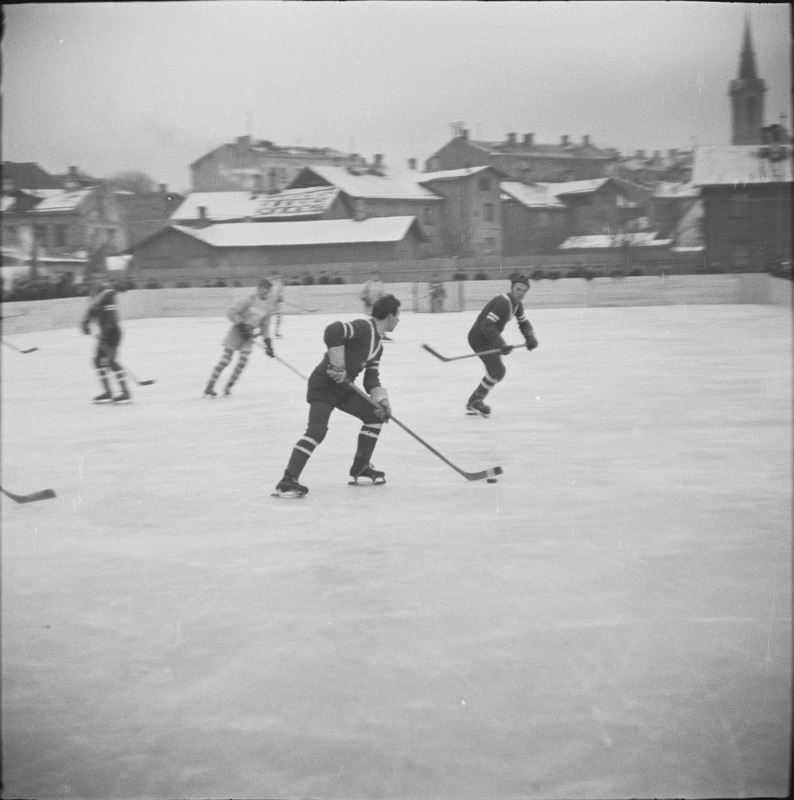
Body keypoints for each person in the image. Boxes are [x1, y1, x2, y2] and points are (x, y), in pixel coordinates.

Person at [274, 294, 402, 498]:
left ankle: (360, 469)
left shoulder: (378, 347)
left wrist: (383, 401)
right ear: (389, 316)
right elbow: (333, 330)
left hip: (344, 388)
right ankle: (288, 479)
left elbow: (371, 379)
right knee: (317, 430)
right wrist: (337, 365)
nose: (398, 320)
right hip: (323, 385)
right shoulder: (364, 327)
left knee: (375, 415)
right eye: (398, 315)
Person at [465, 274, 538, 417]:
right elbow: (486, 324)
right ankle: (475, 401)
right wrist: (501, 344)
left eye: (524, 291)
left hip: (490, 338)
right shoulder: (503, 303)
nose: (521, 293)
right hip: (479, 338)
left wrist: (530, 336)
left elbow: (523, 323)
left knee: (496, 370)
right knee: (497, 370)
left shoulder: (518, 305)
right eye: (518, 289)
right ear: (512, 288)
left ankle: (474, 401)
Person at [203, 278, 276, 398]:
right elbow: (231, 311)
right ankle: (209, 386)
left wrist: (268, 345)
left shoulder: (268, 307)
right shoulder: (249, 300)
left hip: (249, 335)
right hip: (237, 332)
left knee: (242, 362)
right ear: (258, 289)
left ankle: (228, 386)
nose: (265, 291)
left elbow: (265, 327)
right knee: (226, 360)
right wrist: (241, 326)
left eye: (267, 289)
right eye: (263, 288)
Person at [81, 279, 131, 403]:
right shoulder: (97, 300)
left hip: (112, 333)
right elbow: (91, 313)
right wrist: (86, 323)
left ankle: (125, 392)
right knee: (98, 360)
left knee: (110, 361)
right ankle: (108, 392)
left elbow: (109, 317)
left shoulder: (106, 296)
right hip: (106, 334)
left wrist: (104, 333)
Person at [360, 273, 391, 340]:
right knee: (374, 320)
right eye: (374, 276)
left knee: (382, 319)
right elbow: (363, 293)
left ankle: (382, 334)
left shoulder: (380, 284)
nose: (375, 277)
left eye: (377, 276)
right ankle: (373, 334)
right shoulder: (368, 284)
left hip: (379, 304)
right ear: (371, 276)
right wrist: (365, 299)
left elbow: (383, 293)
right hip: (371, 305)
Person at [269, 271, 285, 338]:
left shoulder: (280, 282)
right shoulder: (269, 282)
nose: (279, 277)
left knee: (279, 316)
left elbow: (280, 292)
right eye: (277, 276)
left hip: (277, 302)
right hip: (269, 302)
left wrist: (280, 297)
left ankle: (276, 332)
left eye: (279, 276)